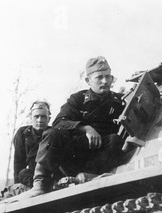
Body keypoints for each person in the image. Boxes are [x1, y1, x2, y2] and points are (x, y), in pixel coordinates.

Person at [25, 56, 125, 197]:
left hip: (101, 157)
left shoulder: (119, 100)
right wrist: (86, 128)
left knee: (115, 139)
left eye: (108, 76)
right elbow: (59, 122)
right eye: (99, 77)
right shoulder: (78, 99)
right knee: (53, 133)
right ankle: (41, 182)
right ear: (88, 81)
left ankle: (88, 176)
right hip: (75, 155)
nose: (105, 81)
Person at [13, 101, 51, 188]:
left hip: (50, 174)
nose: (40, 120)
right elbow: (18, 161)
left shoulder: (53, 134)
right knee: (23, 173)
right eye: (36, 116)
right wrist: (17, 185)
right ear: (31, 117)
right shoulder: (22, 133)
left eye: (43, 117)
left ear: (49, 118)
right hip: (32, 176)